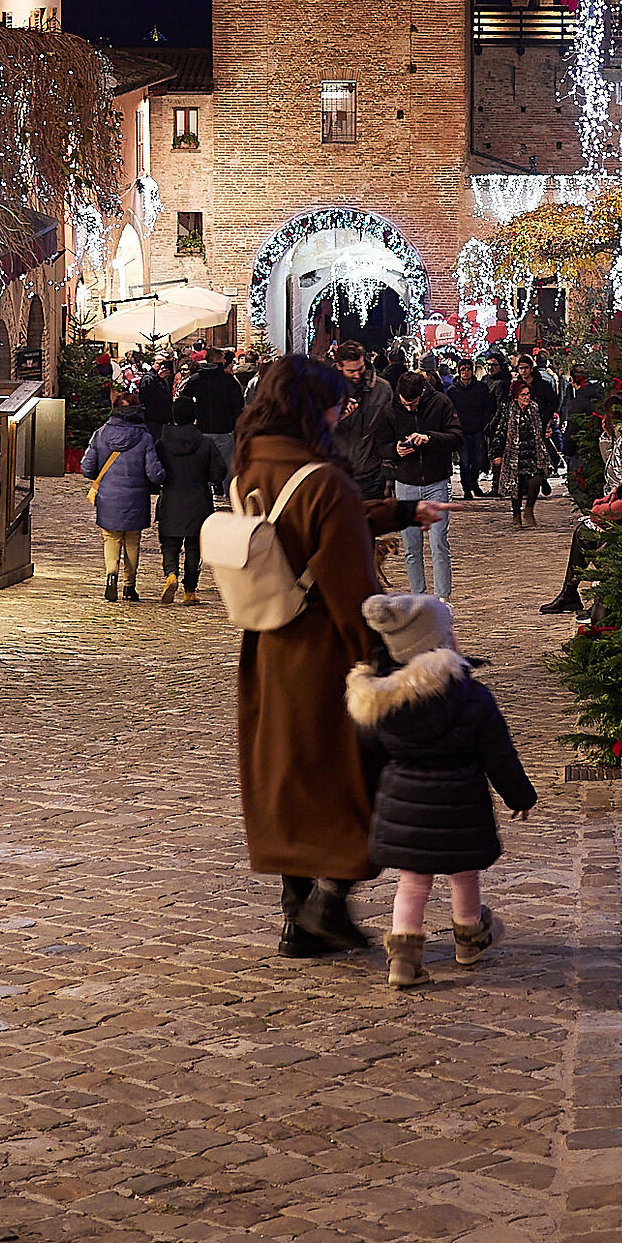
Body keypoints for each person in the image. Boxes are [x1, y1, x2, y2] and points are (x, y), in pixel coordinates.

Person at [229, 354, 446, 958]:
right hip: (325, 651)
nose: (343, 409)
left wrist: (399, 511)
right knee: (353, 775)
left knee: (290, 775)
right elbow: (350, 582)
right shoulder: (322, 477)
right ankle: (329, 902)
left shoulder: (250, 464)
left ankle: (297, 917)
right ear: (312, 407)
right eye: (336, 401)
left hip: (271, 644)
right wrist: (382, 659)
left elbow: (306, 524)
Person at [346, 591, 537, 990]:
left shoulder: (380, 704)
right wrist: (520, 796)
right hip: (461, 804)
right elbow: (498, 753)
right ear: (440, 641)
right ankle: (470, 938)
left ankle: (403, 958)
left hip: (405, 806)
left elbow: (368, 754)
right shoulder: (471, 696)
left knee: (413, 881)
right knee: (464, 875)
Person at [80, 389, 165, 602]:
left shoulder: (100, 434)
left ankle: (111, 574)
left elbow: (87, 467)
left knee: (111, 537)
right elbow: (154, 473)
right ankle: (129, 586)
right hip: (136, 497)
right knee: (133, 540)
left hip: (108, 496)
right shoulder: (145, 437)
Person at [389, 370, 461, 598]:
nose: (409, 407)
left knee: (438, 542)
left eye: (413, 403)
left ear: (422, 392)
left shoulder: (441, 403)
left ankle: (442, 598)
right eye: (404, 403)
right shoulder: (391, 409)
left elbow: (457, 437)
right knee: (411, 548)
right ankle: (419, 596)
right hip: (406, 482)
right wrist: (395, 450)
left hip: (436, 481)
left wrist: (430, 438)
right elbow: (380, 443)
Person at [155, 411, 227, 606]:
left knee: (169, 544)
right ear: (194, 418)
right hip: (198, 501)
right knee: (194, 547)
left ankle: (171, 574)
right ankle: (189, 591)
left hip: (170, 499)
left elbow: (155, 471)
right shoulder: (205, 443)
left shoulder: (162, 444)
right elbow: (219, 471)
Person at [331, 338, 397, 498]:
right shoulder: (325, 390)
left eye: (360, 368)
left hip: (372, 476)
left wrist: (387, 469)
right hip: (335, 476)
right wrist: (336, 417)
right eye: (351, 371)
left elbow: (391, 429)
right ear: (339, 366)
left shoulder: (382, 389)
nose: (357, 375)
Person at [175, 345, 244, 476]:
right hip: (225, 429)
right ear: (218, 360)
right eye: (223, 358)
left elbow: (184, 401)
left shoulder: (195, 379)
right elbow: (238, 404)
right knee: (227, 467)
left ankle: (205, 494)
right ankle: (226, 494)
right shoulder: (228, 381)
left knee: (203, 467)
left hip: (202, 428)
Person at [491, 380, 549, 525]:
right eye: (523, 395)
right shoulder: (508, 410)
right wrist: (497, 453)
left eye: (528, 394)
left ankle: (529, 509)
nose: (526, 397)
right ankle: (516, 514)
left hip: (533, 452)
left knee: (536, 479)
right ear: (516, 396)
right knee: (515, 486)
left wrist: (546, 431)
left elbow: (542, 426)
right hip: (514, 454)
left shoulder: (535, 408)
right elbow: (499, 432)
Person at [448, 358, 498, 501]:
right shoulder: (453, 391)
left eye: (468, 369)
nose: (465, 372)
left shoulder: (480, 388)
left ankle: (474, 483)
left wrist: (484, 421)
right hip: (461, 430)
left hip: (477, 429)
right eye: (462, 369)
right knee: (464, 461)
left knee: (477, 459)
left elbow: (489, 406)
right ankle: (467, 488)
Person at [139, 356, 175, 436]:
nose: (161, 366)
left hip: (164, 415)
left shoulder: (164, 377)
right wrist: (158, 378)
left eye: (164, 364)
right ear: (152, 364)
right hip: (153, 416)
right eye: (159, 364)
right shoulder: (148, 377)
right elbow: (145, 394)